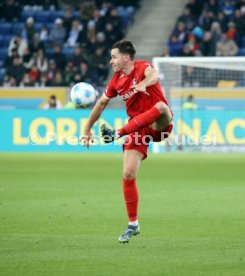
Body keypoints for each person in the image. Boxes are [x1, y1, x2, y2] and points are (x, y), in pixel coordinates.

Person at [82, 40, 173, 243]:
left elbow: (155, 75)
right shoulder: (116, 81)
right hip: (138, 127)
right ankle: (133, 223)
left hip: (160, 124)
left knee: (160, 106)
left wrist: (143, 83)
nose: (110, 60)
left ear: (126, 57)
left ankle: (117, 133)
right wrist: (87, 128)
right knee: (128, 173)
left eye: (114, 56)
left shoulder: (142, 67)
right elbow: (102, 103)